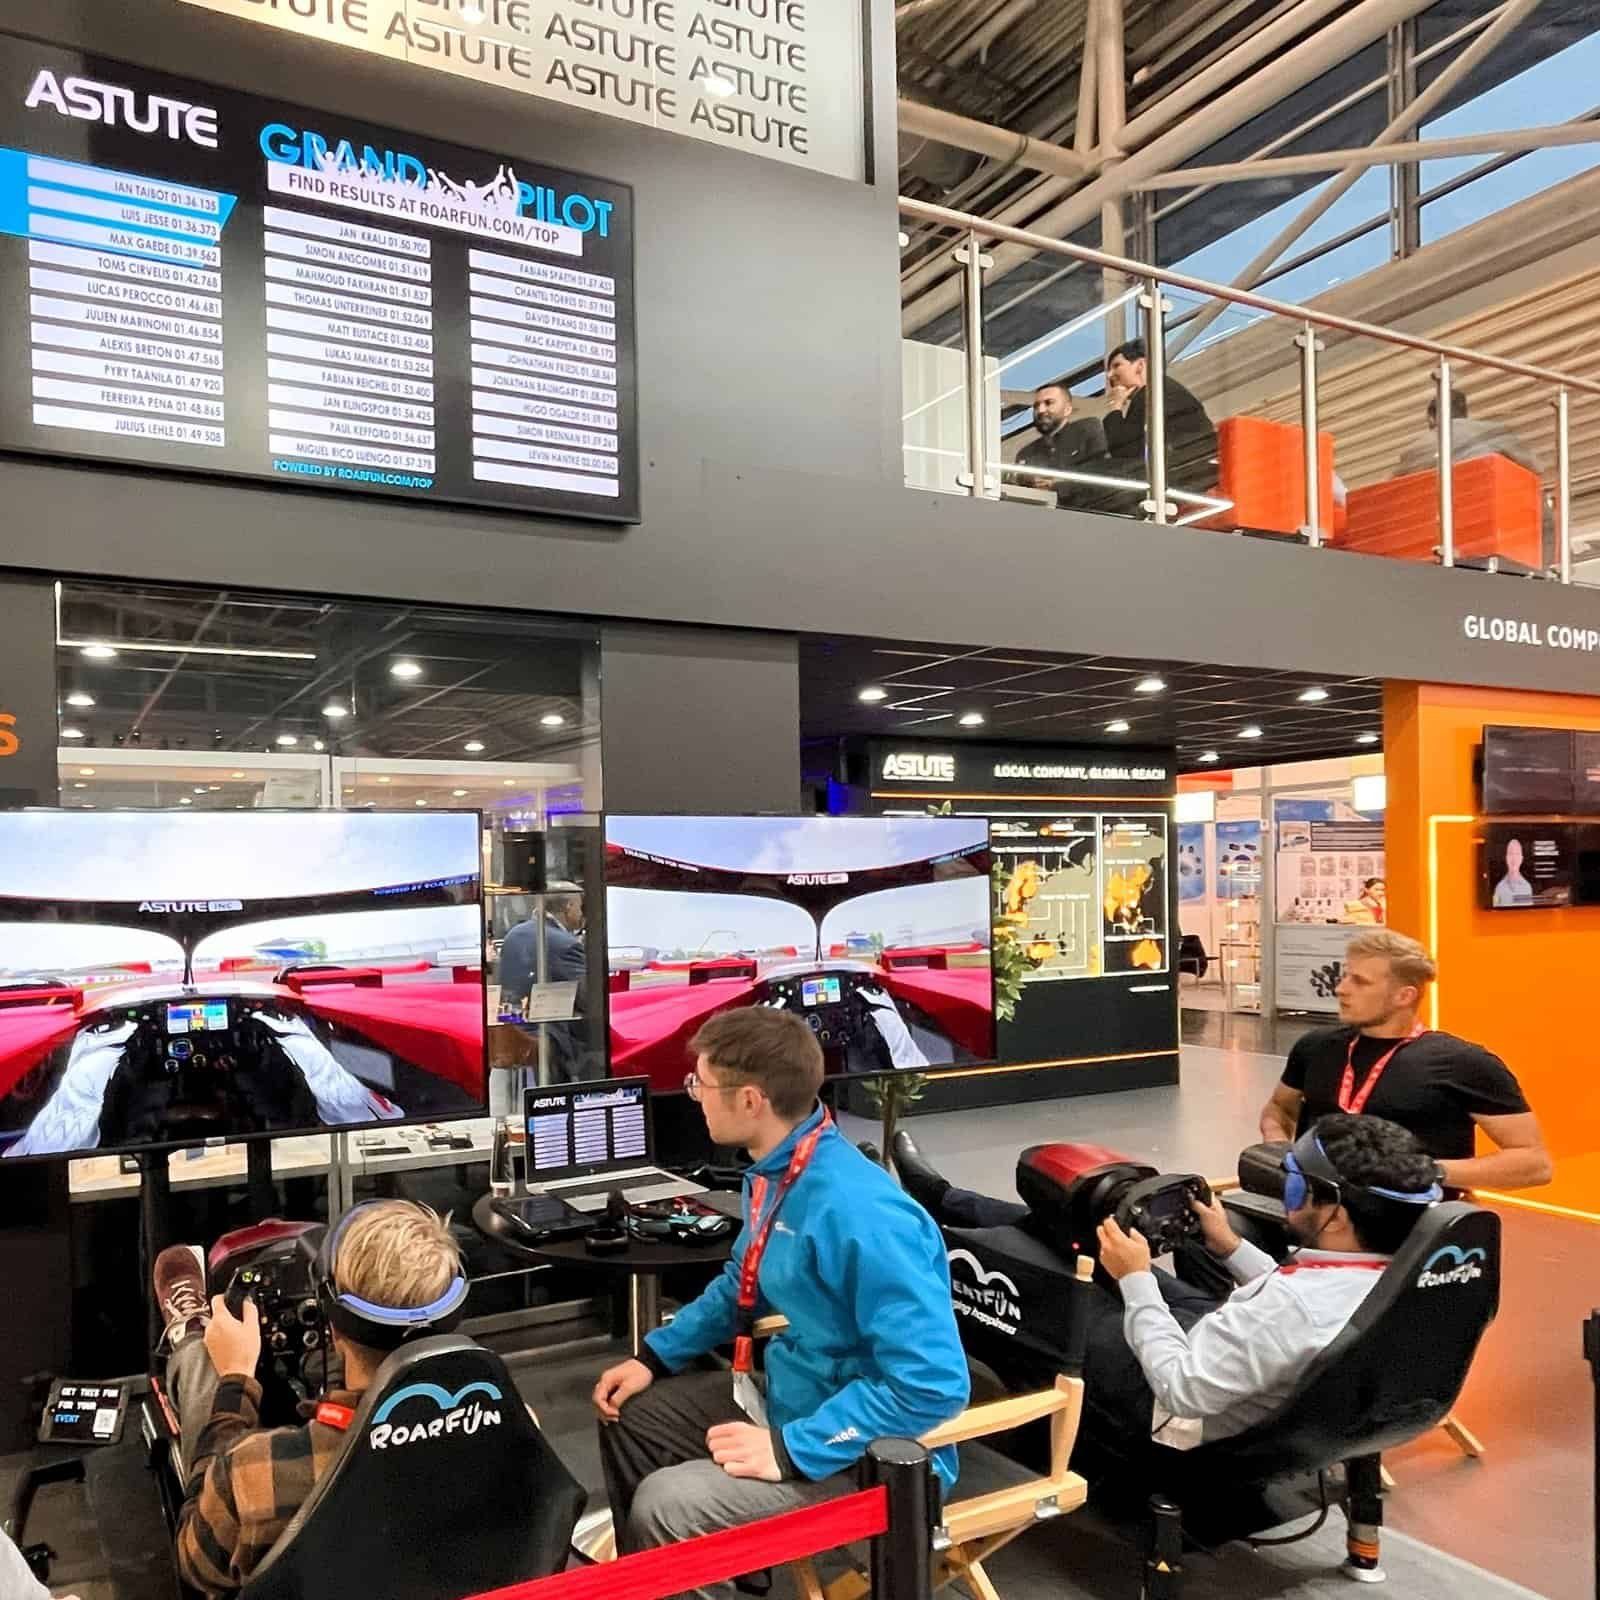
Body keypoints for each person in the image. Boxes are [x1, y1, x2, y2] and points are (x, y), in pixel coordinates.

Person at [591, 1008, 968, 1600]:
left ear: (750, 1100)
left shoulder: (861, 1215)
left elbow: (933, 1387)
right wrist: (654, 1357)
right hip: (795, 1397)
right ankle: (716, 1571)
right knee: (630, 1413)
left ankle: (693, 1557)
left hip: (868, 1458)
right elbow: (742, 1279)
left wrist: (791, 1449)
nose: (693, 1096)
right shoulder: (775, 1171)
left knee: (666, 1504)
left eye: (701, 1084)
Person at [152, 1200, 464, 1595]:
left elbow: (195, 1565)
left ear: (334, 1325)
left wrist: (236, 1378)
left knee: (204, 1370)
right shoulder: (514, 1424)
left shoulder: (253, 1472)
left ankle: (190, 1334)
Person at [1090, 1114, 1440, 1447]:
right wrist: (1230, 1247)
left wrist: (1135, 1279)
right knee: (1142, 1286)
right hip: (1263, 1392)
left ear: (1336, 1218)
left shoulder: (1290, 1307)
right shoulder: (1408, 1276)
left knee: (1072, 1299)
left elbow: (1181, 1391)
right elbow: (1300, 1305)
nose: (1287, 1195)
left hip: (1176, 1413)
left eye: (1295, 1185)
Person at [1260, 929, 1552, 1192]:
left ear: (1404, 996)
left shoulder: (1464, 1063)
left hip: (1412, 1227)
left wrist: (1425, 1171)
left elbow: (1533, 1164)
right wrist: (1280, 1151)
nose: (1341, 989)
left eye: (1359, 982)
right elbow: (1279, 1108)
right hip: (1316, 1219)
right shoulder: (1316, 1047)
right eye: (1345, 976)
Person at [1395, 388, 1552, 565]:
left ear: (1432, 418)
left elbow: (1396, 496)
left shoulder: (1416, 450)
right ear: (1465, 412)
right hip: (1501, 528)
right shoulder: (1496, 432)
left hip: (1451, 537)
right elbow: (1536, 468)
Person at [1099, 338, 1218, 501]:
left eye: (1117, 365)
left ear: (1140, 365)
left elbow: (1124, 449)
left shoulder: (1152, 393)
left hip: (1178, 476)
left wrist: (1115, 407)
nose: (1110, 375)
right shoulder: (1161, 389)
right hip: (1188, 473)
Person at [499, 882, 586, 1081]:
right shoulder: (566, 945)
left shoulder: (513, 935)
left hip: (510, 1036)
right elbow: (589, 1001)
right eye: (580, 907)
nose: (581, 914)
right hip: (546, 1043)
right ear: (568, 907)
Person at [1015, 382, 1107, 509]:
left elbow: (1102, 473)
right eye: (1036, 406)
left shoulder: (1087, 430)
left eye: (1049, 403)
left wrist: (1056, 485)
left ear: (1067, 409)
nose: (1040, 410)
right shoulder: (1026, 454)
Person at [1492, 839, 1534, 908]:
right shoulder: (1498, 888)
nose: (1514, 858)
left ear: (1521, 859)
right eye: (1510, 853)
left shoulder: (1527, 887)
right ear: (1506, 858)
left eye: (1517, 854)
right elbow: (1495, 911)